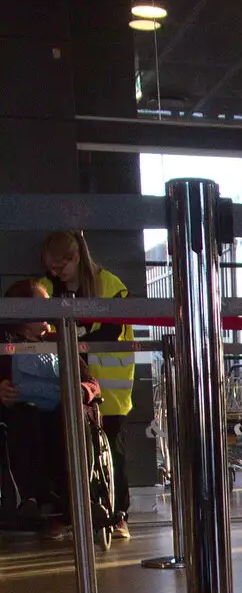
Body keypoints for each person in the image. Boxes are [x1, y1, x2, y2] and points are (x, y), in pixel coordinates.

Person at [39, 230, 134, 538]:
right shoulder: (46, 287)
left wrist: (69, 337)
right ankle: (68, 513)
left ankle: (118, 514)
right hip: (65, 383)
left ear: (77, 257)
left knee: (112, 452)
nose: (54, 273)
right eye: (50, 268)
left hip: (110, 387)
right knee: (64, 448)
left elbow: (110, 333)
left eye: (59, 266)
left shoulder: (110, 285)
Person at [0, 279, 102, 536]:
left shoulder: (61, 340)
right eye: (43, 304)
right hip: (27, 417)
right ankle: (33, 498)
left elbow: (92, 384)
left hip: (64, 414)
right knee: (25, 417)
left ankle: (79, 496)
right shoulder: (5, 349)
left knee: (71, 417)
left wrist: (82, 391)